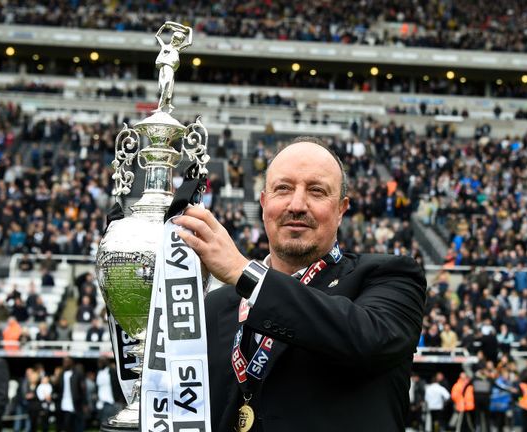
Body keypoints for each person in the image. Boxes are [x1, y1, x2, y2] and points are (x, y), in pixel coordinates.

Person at [175, 138, 426, 431]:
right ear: (264, 202)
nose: (297, 205)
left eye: (317, 191)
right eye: (283, 189)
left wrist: (246, 274)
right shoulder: (215, 307)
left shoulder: (389, 276)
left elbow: (367, 338)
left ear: (342, 209)